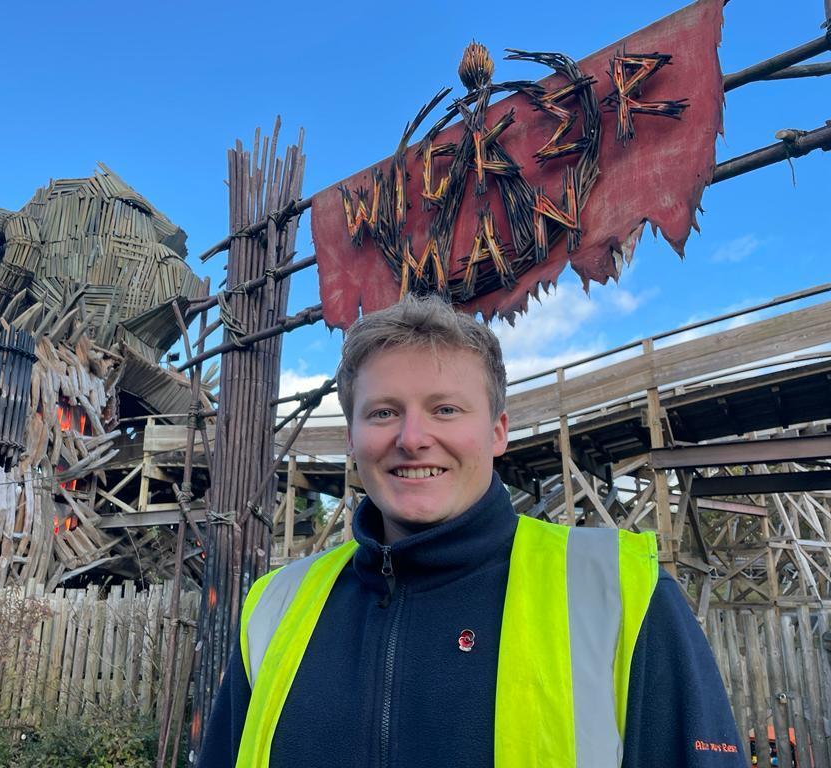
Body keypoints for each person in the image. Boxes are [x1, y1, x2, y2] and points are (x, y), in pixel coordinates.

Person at [197, 293, 742, 767]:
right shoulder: (275, 608)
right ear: (351, 437)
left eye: (446, 409)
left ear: (498, 432)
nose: (412, 438)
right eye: (384, 412)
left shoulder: (621, 592)